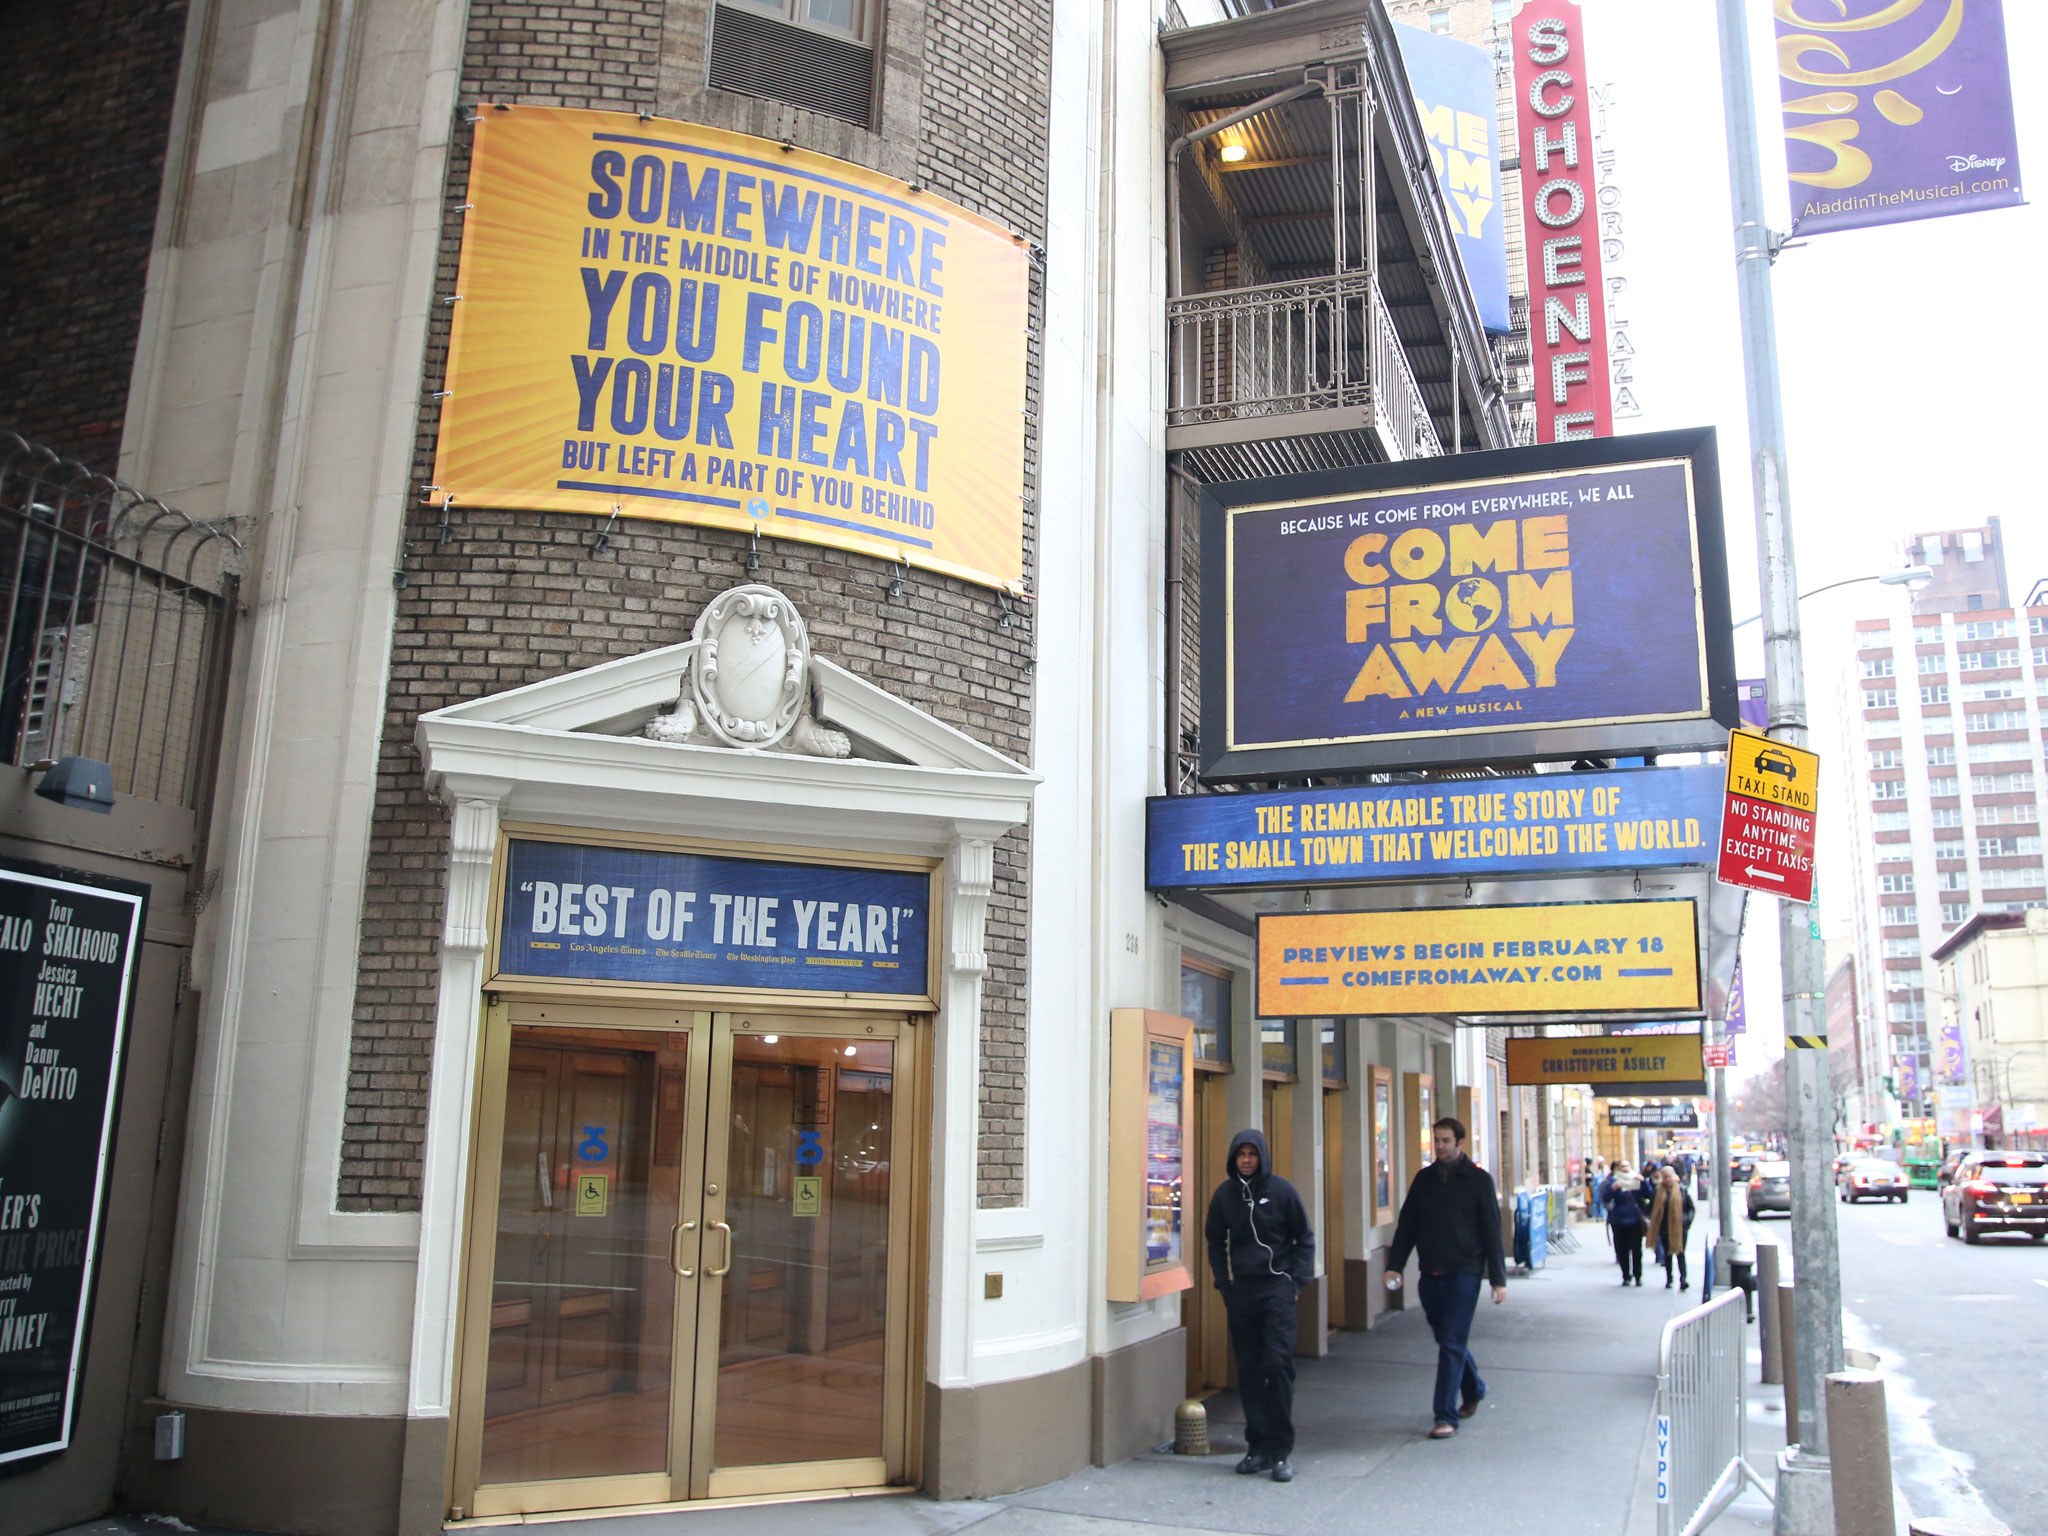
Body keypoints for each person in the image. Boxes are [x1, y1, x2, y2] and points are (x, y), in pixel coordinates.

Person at [1384, 1117, 1509, 1439]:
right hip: (1431, 1273)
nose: (1439, 1147)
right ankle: (1475, 1387)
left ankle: (1445, 1415)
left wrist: (1498, 1279)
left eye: (1445, 1141)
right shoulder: (1423, 1180)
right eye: (1436, 1141)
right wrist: (1395, 1264)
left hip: (1464, 1273)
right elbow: (1407, 1224)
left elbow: (1492, 1230)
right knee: (1447, 1339)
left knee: (1451, 1342)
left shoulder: (1478, 1181)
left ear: (1459, 1143)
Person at [1205, 1128, 1314, 1482]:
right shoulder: (1225, 1196)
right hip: (1243, 1293)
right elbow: (1214, 1241)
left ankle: (1281, 1450)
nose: (1247, 1160)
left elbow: (1304, 1238)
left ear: (1262, 1156)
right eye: (1241, 1155)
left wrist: (1296, 1282)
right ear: (1234, 1158)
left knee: (1278, 1364)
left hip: (1278, 1289)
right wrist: (1225, 1284)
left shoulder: (1282, 1192)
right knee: (1249, 1370)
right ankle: (1257, 1446)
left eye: (1252, 1154)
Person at [1648, 1165, 1696, 1290]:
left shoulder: (1682, 1190)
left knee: (1680, 1253)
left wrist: (1687, 1221)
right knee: (1668, 1255)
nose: (1668, 1180)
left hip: (1681, 1228)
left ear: (1674, 1177)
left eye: (1669, 1177)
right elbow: (1650, 1209)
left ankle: (1683, 1279)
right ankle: (1669, 1279)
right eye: (1665, 1177)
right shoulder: (1658, 1192)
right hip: (1664, 1229)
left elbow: (1691, 1208)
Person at [1604, 1160, 1647, 1285]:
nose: (1625, 1168)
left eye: (1627, 1166)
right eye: (1622, 1167)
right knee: (1621, 1250)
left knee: (1636, 1250)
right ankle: (1626, 1276)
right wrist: (1612, 1189)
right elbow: (1605, 1198)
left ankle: (1638, 1276)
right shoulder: (1613, 1181)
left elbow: (1649, 1194)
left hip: (1635, 1220)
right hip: (1619, 1220)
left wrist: (1643, 1182)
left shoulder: (1636, 1179)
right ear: (1618, 1169)